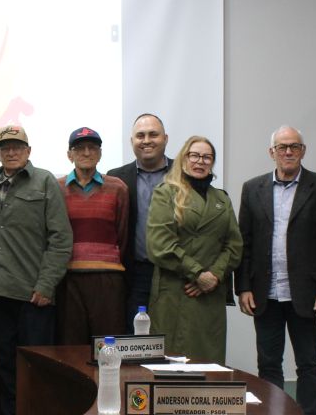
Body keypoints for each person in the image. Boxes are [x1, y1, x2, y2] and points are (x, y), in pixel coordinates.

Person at [236, 126, 316, 415]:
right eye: (282, 147)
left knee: (308, 362)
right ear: (272, 152)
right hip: (265, 292)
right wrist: (243, 287)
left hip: (307, 293)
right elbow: (245, 242)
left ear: (303, 151)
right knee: (268, 362)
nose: (288, 152)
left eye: (294, 147)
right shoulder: (252, 189)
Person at [0, 126, 72, 415]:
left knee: (36, 368)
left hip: (34, 296)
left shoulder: (45, 181)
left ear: (28, 150)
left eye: (17, 146)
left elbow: (60, 240)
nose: (11, 152)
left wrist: (46, 285)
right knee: (6, 368)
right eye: (5, 147)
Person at [146, 136, 242, 364]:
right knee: (174, 364)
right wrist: (198, 274)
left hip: (211, 294)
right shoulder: (166, 193)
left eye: (207, 157)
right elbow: (160, 245)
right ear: (183, 159)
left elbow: (234, 245)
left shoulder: (221, 198)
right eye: (195, 155)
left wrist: (213, 276)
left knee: (210, 364)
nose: (201, 161)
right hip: (176, 291)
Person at [58, 126, 130, 345]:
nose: (86, 153)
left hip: (108, 278)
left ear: (100, 154)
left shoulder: (118, 188)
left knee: (108, 345)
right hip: (68, 278)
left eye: (92, 148)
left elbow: (123, 234)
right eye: (79, 148)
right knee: (71, 345)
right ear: (69, 154)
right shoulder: (56, 187)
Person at [107, 113, 172, 332]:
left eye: (153, 134)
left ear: (165, 138)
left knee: (173, 336)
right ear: (131, 141)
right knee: (136, 337)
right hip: (135, 273)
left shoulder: (183, 173)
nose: (146, 140)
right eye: (140, 135)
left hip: (175, 272)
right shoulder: (116, 178)